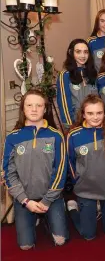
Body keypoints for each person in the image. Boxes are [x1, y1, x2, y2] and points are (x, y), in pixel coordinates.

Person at [2, 89, 68, 249]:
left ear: (45, 109)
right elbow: (9, 173)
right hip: (25, 199)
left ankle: (58, 211)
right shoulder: (13, 137)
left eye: (38, 105)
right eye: (29, 105)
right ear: (23, 109)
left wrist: (47, 200)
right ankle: (35, 216)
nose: (33, 109)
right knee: (25, 245)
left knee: (61, 241)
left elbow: (60, 170)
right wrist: (26, 201)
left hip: (51, 198)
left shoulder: (56, 135)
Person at [66, 95, 105, 240]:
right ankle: (73, 210)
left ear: (104, 114)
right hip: (85, 188)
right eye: (90, 113)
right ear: (83, 114)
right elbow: (69, 161)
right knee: (88, 235)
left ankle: (101, 211)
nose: (95, 117)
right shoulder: (73, 135)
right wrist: (76, 180)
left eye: (99, 113)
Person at [57, 39, 97, 130]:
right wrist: (70, 125)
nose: (82, 56)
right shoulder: (65, 75)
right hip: (75, 124)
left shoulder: (92, 73)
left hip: (94, 121)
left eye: (86, 52)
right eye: (78, 52)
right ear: (71, 53)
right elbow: (64, 103)